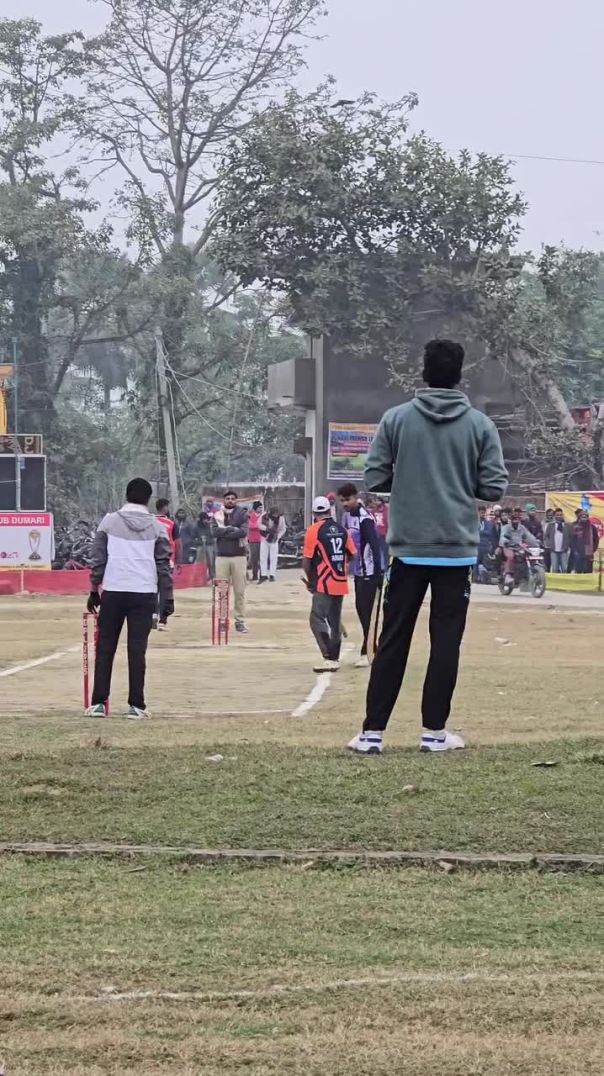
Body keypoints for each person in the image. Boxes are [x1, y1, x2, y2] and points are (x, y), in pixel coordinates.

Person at [347, 338, 508, 756]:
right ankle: (434, 733)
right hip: (456, 551)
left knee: (393, 639)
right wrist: (457, 481)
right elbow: (493, 487)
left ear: (424, 372)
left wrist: (411, 479)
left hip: (408, 551)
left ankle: (372, 734)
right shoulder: (480, 426)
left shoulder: (396, 419)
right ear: (459, 374)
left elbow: (374, 478)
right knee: (446, 642)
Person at [85, 477, 173, 719]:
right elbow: (163, 565)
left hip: (113, 590)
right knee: (137, 650)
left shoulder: (109, 522)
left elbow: (98, 558)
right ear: (149, 499)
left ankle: (98, 704)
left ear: (126, 495)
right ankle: (136, 706)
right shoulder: (158, 527)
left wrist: (93, 589)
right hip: (144, 593)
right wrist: (167, 598)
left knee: (105, 648)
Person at [302, 495, 356, 672]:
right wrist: (339, 564)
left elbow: (306, 561)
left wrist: (311, 581)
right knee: (334, 620)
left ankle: (328, 656)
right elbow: (352, 554)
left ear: (314, 513)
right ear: (329, 510)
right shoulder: (342, 530)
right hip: (340, 580)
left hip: (324, 582)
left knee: (316, 618)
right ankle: (334, 658)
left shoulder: (313, 530)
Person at [338, 482, 384, 667]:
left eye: (347, 500)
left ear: (355, 497)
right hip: (358, 572)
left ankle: (368, 651)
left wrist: (379, 572)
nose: (344, 504)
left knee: (368, 613)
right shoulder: (348, 516)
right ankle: (371, 648)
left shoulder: (365, 518)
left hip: (370, 572)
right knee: (361, 610)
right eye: (342, 501)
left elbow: (374, 545)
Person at [213, 490, 249, 633]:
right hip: (221, 557)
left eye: (233, 498)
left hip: (239, 556)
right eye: (227, 498)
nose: (230, 500)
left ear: (236, 501)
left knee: (239, 591)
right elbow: (214, 532)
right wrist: (232, 529)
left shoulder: (242, 514)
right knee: (222, 591)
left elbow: (243, 532)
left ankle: (239, 621)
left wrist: (224, 532)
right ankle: (223, 621)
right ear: (224, 500)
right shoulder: (217, 515)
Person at [155, 498, 176, 630]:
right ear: (165, 508)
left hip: (150, 561)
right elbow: (177, 543)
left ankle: (152, 616)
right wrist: (177, 560)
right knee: (165, 591)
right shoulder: (171, 524)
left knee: (152, 589)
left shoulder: (149, 522)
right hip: (167, 560)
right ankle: (163, 620)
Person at [500, 508, 534, 583]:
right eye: (514, 519)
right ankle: (508, 575)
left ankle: (525, 574)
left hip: (519, 547)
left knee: (528, 555)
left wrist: (537, 543)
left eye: (517, 519)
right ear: (511, 520)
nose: (516, 521)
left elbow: (529, 536)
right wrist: (505, 541)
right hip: (508, 547)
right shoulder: (506, 527)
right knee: (510, 556)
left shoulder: (522, 528)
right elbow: (502, 537)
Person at [258, 505, 286, 582]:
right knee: (263, 557)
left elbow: (283, 529)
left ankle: (272, 575)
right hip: (264, 538)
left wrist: (278, 537)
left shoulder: (281, 518)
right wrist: (266, 529)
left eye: (277, 514)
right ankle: (263, 575)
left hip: (274, 539)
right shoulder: (264, 516)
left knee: (273, 558)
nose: (275, 515)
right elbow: (258, 524)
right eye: (274, 514)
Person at [544, 508, 572, 573]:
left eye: (560, 515)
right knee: (554, 568)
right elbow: (546, 536)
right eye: (557, 515)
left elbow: (570, 536)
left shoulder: (567, 525)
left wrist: (567, 545)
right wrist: (549, 544)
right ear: (554, 516)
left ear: (563, 515)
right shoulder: (550, 525)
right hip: (553, 550)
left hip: (564, 550)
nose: (559, 516)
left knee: (564, 568)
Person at [370, 496, 389, 569]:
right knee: (379, 552)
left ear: (382, 501)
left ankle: (386, 568)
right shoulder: (373, 511)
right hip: (377, 534)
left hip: (386, 534)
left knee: (386, 553)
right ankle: (381, 568)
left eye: (378, 500)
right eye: (375, 500)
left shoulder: (387, 510)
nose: (377, 502)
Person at [248, 500, 263, 581]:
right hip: (253, 540)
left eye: (261, 507)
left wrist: (258, 525)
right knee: (254, 559)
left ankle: (262, 575)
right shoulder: (251, 516)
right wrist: (259, 526)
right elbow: (251, 526)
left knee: (262, 558)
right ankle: (255, 575)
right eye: (259, 507)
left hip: (262, 539)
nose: (261, 509)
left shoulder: (263, 516)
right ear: (255, 508)